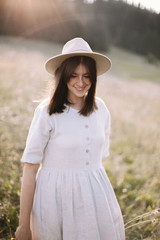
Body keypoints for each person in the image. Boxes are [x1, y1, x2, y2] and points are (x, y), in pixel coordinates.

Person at [15, 37, 125, 240]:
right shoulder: (47, 112)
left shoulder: (101, 109)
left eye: (87, 76)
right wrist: (24, 226)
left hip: (96, 199)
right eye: (74, 75)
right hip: (55, 200)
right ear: (63, 75)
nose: (81, 82)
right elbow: (30, 169)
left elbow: (97, 158)